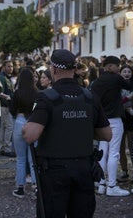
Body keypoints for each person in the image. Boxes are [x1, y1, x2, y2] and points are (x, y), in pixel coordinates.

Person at [22, 49, 111, 217]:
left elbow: (30, 135)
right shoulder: (89, 96)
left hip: (55, 171)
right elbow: (107, 135)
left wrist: (25, 128)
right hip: (84, 168)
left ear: (54, 70)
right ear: (74, 69)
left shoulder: (47, 97)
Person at [91, 55, 133, 197]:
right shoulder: (116, 78)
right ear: (110, 66)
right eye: (117, 65)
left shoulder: (96, 82)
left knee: (103, 152)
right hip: (114, 119)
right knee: (114, 153)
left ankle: (102, 184)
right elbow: (130, 85)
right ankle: (112, 185)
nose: (119, 68)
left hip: (101, 121)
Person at [10, 67, 37, 198]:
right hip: (33, 122)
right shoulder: (37, 93)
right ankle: (36, 186)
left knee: (20, 158)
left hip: (20, 121)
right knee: (33, 159)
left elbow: (12, 110)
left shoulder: (17, 93)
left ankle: (20, 188)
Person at [118, 64, 133, 182]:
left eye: (129, 72)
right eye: (124, 71)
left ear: (132, 73)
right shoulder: (117, 85)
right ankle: (124, 171)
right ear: (120, 73)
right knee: (120, 147)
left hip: (132, 117)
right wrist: (127, 99)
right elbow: (115, 102)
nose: (126, 73)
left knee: (132, 146)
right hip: (120, 117)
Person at [0, 60, 15, 157]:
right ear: (4, 67)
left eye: (12, 66)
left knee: (4, 127)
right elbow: (1, 93)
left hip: (6, 105)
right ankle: (6, 148)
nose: (11, 68)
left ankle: (3, 147)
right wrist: (8, 103)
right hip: (5, 105)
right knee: (9, 126)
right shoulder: (1, 78)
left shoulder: (6, 77)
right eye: (8, 66)